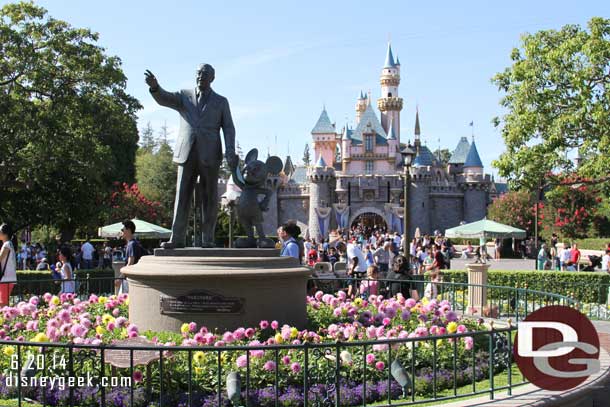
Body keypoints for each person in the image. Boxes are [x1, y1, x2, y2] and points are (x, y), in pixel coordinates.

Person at [116, 220, 144, 294]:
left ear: (128, 230)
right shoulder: (132, 244)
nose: (121, 231)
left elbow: (130, 263)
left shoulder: (132, 244)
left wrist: (120, 278)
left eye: (123, 229)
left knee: (124, 302)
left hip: (129, 280)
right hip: (132, 279)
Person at [0, 224, 17, 306]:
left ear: (5, 234)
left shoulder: (6, 245)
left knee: (3, 303)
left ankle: (4, 318)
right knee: (4, 302)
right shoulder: (10, 244)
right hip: (9, 277)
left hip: (6, 278)